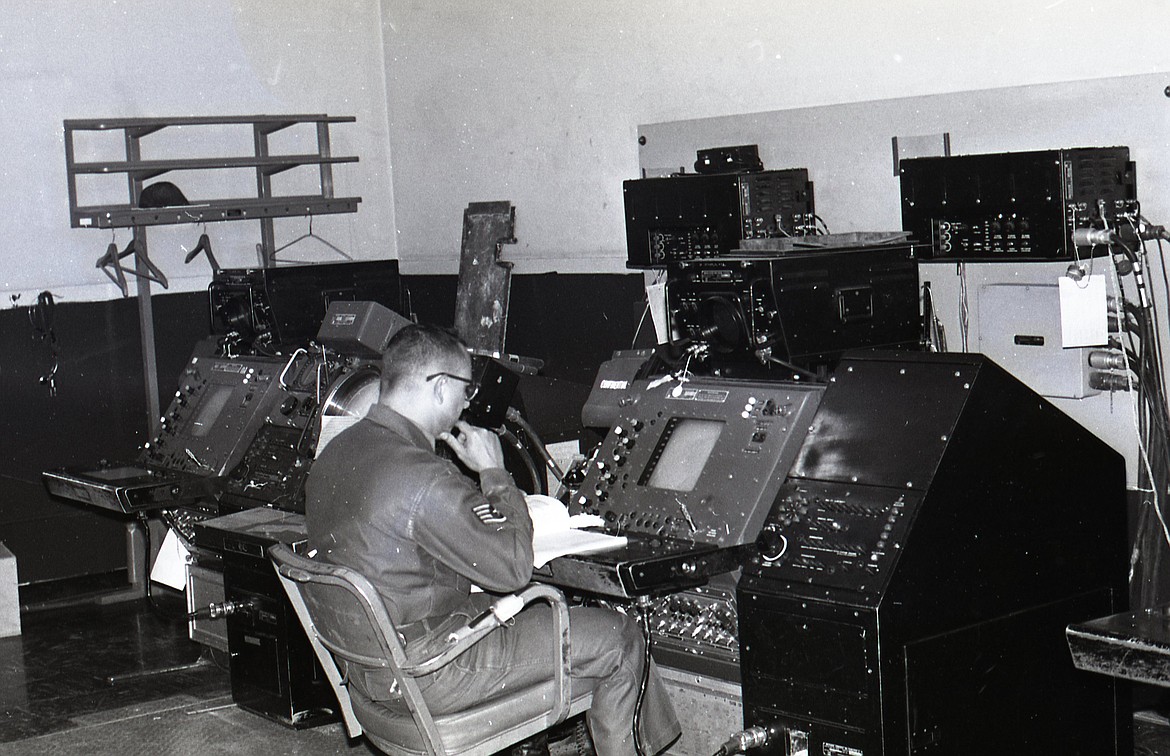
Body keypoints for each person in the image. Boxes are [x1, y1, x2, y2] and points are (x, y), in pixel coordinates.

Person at [306, 323, 681, 755]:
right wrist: (493, 473)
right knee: (620, 636)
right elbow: (512, 569)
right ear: (441, 387)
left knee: (568, 627)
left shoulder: (335, 453)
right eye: (465, 391)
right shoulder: (423, 477)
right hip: (434, 670)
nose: (467, 403)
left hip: (370, 669)